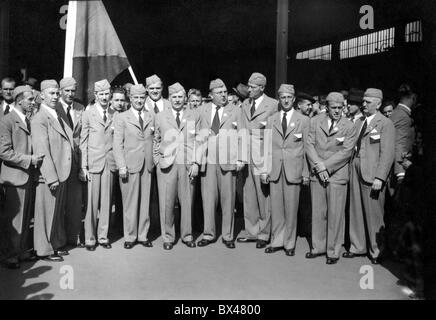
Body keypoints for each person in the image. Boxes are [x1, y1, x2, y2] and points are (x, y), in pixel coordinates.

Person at [305, 92, 357, 264]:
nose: (337, 111)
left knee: (335, 213)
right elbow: (309, 144)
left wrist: (325, 166)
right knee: (318, 212)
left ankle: (333, 251)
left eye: (340, 108)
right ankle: (317, 247)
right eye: (333, 108)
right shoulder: (314, 121)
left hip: (337, 175)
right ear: (326, 107)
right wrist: (318, 166)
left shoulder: (349, 126)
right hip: (318, 173)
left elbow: (346, 151)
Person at [345, 88, 395, 264]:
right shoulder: (360, 122)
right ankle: (357, 246)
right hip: (356, 169)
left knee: (374, 214)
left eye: (368, 102)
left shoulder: (385, 123)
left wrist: (380, 177)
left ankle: (377, 251)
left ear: (379, 104)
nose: (363, 104)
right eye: (363, 101)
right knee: (356, 209)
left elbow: (387, 153)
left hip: (372, 174)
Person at [260, 84, 310, 256]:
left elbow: (306, 149)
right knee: (277, 208)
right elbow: (266, 146)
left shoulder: (303, 120)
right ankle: (277, 240)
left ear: (294, 99)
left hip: (293, 170)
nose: (286, 100)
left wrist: (305, 173)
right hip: (275, 169)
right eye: (283, 97)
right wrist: (264, 170)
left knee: (291, 208)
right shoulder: (271, 119)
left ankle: (289, 243)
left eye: (289, 97)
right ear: (279, 100)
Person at [0, 86, 43, 269]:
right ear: (19, 101)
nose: (33, 103)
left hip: (27, 176)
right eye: (30, 100)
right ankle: (9, 255)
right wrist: (29, 159)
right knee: (13, 219)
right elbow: (4, 152)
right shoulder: (7, 121)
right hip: (14, 178)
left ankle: (22, 251)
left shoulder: (29, 119)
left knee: (25, 217)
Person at [153, 82, 199, 250]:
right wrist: (157, 160)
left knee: (187, 201)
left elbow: (199, 141)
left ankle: (187, 235)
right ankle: (168, 237)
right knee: (167, 202)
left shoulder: (194, 115)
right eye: (174, 97)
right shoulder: (160, 116)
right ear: (169, 98)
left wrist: (196, 162)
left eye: (181, 97)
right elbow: (156, 140)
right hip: (167, 165)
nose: (178, 100)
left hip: (187, 164)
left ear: (185, 98)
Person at [196, 79, 241, 249]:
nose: (223, 95)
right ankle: (209, 234)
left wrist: (240, 159)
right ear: (210, 95)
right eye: (219, 93)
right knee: (208, 199)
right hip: (208, 161)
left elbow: (242, 135)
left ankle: (228, 235)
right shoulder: (202, 110)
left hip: (228, 161)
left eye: (225, 92)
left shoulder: (235, 111)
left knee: (228, 199)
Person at [31, 80, 73, 261]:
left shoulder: (57, 113)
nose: (55, 97)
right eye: (51, 93)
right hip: (50, 174)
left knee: (56, 212)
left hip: (61, 170)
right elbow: (42, 150)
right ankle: (44, 249)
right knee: (46, 213)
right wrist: (51, 177)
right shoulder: (39, 118)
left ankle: (55, 243)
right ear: (42, 95)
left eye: (57, 93)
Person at [236, 72, 278, 249]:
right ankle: (251, 231)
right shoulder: (245, 104)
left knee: (263, 196)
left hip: (262, 156)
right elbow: (240, 131)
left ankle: (264, 233)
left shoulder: (273, 105)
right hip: (247, 156)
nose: (249, 89)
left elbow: (274, 135)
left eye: (253, 87)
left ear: (262, 88)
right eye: (249, 86)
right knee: (249, 195)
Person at [113, 84, 155, 249]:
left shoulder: (151, 116)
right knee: (130, 202)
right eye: (136, 97)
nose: (139, 100)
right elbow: (117, 144)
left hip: (147, 165)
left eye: (141, 97)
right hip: (129, 165)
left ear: (145, 98)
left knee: (145, 201)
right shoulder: (122, 117)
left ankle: (143, 235)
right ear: (130, 99)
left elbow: (156, 139)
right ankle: (130, 236)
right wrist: (121, 166)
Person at [80, 79, 117, 251]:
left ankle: (103, 237)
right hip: (93, 164)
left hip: (109, 164)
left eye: (106, 94)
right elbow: (83, 141)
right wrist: (83, 166)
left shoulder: (115, 113)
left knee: (106, 203)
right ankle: (90, 238)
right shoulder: (88, 114)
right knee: (91, 204)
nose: (104, 97)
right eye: (100, 94)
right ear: (95, 95)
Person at [56, 77, 85, 248]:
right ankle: (59, 239)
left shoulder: (80, 108)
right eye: (67, 90)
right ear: (60, 91)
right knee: (59, 203)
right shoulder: (54, 108)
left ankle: (73, 237)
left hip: (76, 158)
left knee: (75, 201)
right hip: (60, 159)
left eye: (73, 90)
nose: (70, 94)